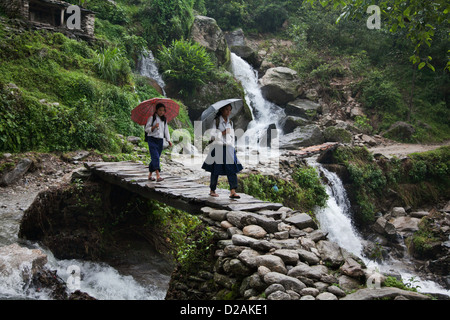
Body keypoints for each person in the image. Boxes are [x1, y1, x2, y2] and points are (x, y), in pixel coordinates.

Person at [202, 104, 243, 199]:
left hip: (229, 147)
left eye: (230, 110)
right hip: (218, 147)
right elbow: (212, 135)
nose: (228, 112)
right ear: (221, 110)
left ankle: (233, 191)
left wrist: (233, 147)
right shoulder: (216, 121)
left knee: (232, 169)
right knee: (215, 169)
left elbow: (231, 136)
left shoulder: (230, 122)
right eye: (226, 110)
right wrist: (222, 133)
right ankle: (212, 190)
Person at [145, 103, 172, 182]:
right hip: (152, 139)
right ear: (156, 110)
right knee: (156, 157)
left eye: (163, 110)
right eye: (160, 110)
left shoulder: (164, 120)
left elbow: (166, 130)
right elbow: (146, 129)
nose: (161, 112)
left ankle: (150, 175)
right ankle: (158, 176)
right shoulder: (151, 118)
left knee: (155, 158)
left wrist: (168, 140)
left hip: (160, 140)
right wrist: (153, 127)